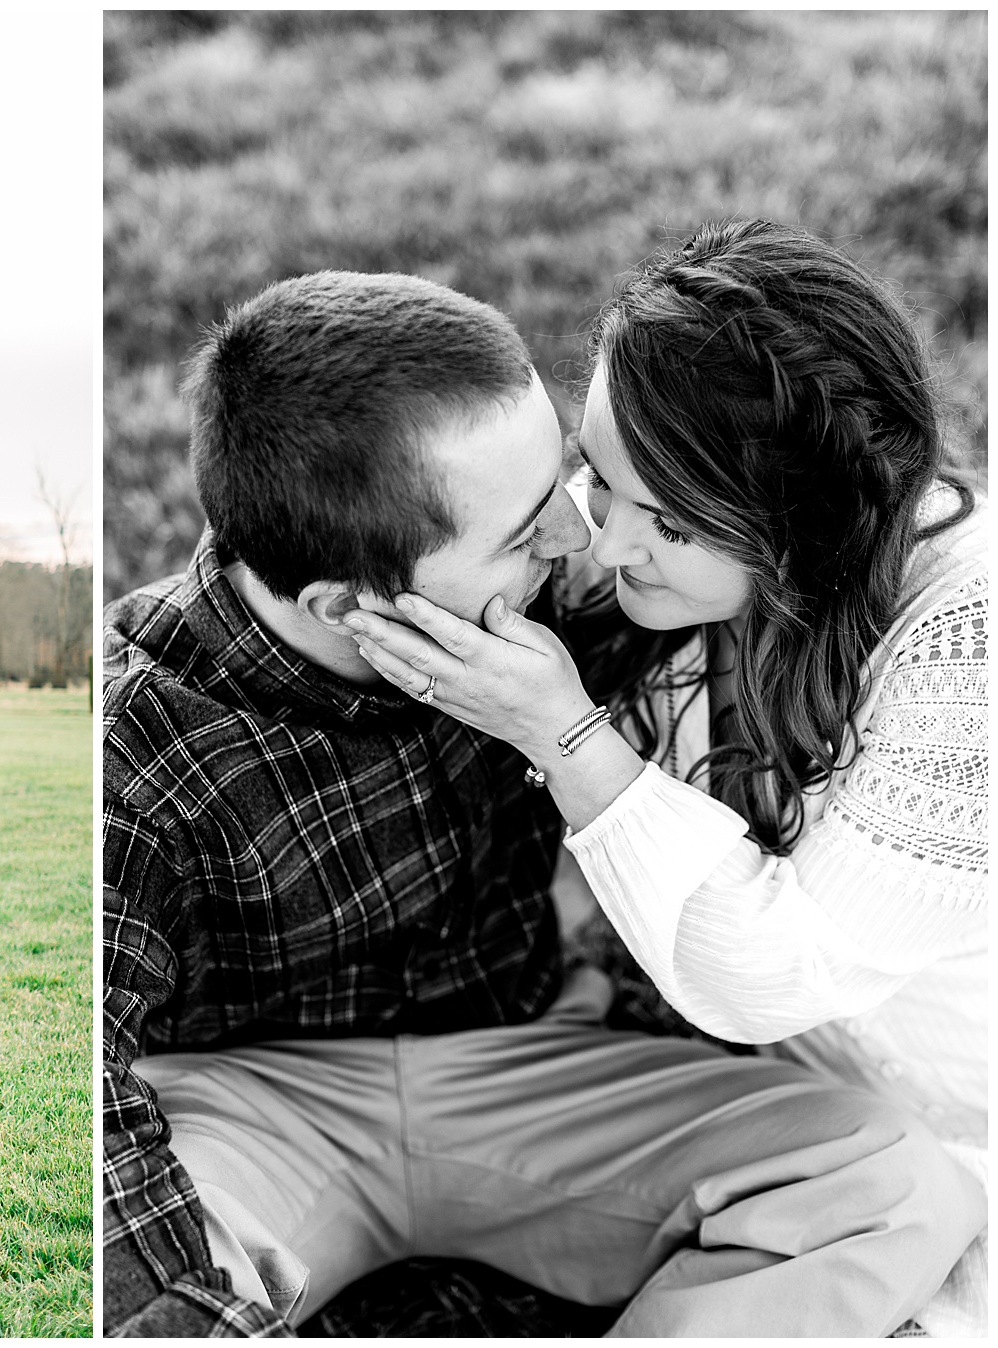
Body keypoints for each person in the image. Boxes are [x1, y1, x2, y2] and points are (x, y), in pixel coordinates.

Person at [102, 268, 985, 1336]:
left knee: (896, 1181)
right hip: (256, 1106)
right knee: (148, 1298)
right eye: (528, 534)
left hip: (530, 1065)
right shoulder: (131, 745)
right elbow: (79, 1099)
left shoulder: (565, 595)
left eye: (570, 486)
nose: (582, 547)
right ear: (347, 603)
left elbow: (767, 519)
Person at [347, 220, 987, 1336]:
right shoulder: (675, 586)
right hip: (781, 1115)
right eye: (602, 476)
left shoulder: (968, 650)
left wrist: (565, 734)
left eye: (673, 521)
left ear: (807, 531)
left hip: (947, 1150)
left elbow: (776, 973)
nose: (605, 546)